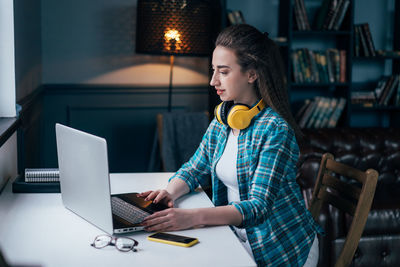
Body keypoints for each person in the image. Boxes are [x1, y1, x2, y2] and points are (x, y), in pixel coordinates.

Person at [139, 24, 323, 266]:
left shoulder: (275, 130)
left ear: (252, 74)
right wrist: (169, 192)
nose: (213, 80)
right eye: (213, 70)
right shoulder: (224, 119)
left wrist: (191, 218)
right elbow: (195, 168)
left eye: (223, 72)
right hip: (237, 236)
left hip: (279, 249)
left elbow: (258, 208)